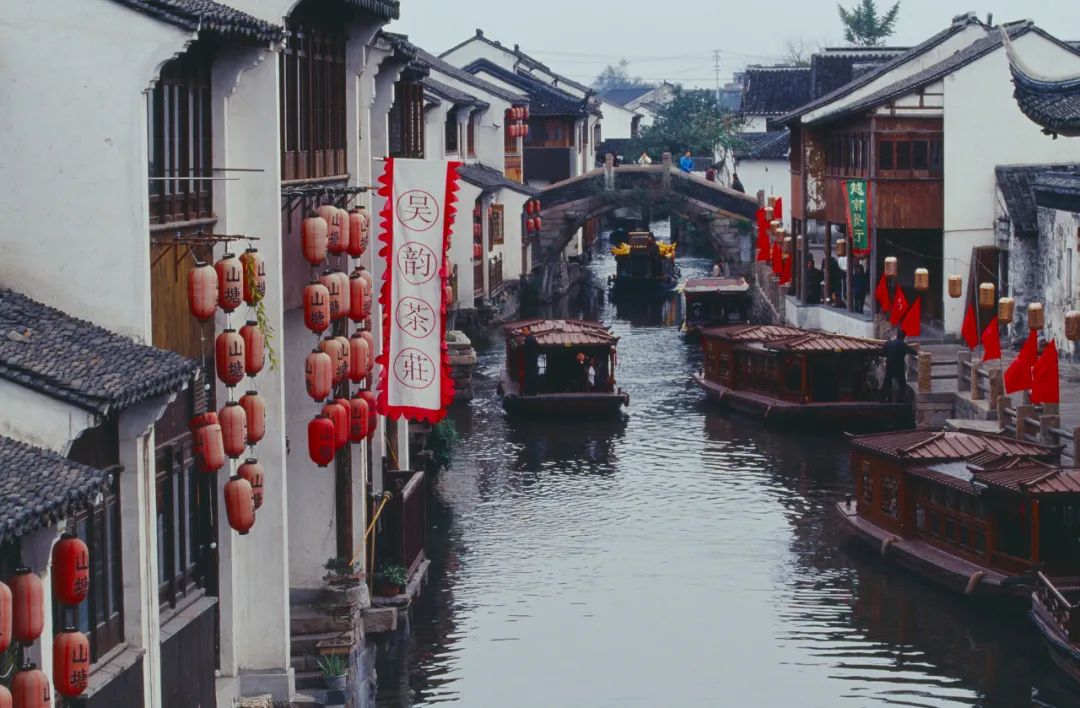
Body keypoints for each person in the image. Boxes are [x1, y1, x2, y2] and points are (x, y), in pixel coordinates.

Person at [882, 329, 917, 403]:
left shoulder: (888, 343)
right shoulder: (903, 345)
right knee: (902, 384)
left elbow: (882, 353)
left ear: (897, 336)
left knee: (887, 382)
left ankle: (884, 398)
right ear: (904, 337)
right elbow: (913, 352)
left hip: (890, 366)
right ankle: (901, 400)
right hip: (899, 367)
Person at [522, 327, 539, 394]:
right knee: (531, 376)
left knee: (530, 376)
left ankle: (530, 391)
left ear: (529, 331)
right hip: (532, 360)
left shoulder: (529, 339)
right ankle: (532, 391)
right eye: (523, 331)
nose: (524, 332)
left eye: (525, 330)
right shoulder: (531, 338)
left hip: (530, 361)